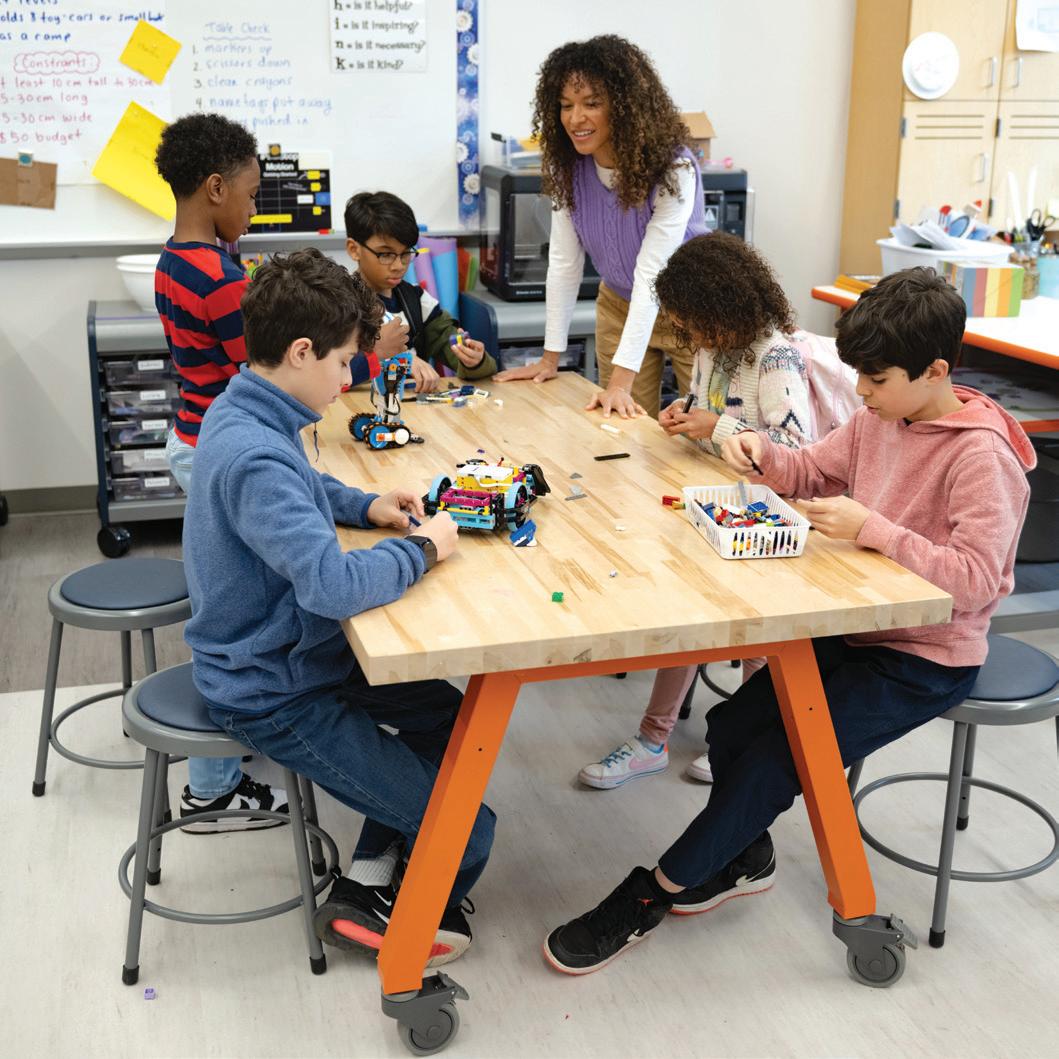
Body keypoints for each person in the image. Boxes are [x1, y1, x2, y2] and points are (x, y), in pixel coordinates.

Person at [544, 267, 1035, 975]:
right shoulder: (878, 419)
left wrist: (873, 529)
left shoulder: (981, 456)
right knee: (730, 727)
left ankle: (652, 894)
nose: (859, 392)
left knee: (776, 762)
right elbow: (809, 471)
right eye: (858, 376)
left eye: (876, 379)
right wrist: (762, 454)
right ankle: (743, 854)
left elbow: (976, 582)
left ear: (934, 371)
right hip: (856, 627)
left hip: (926, 657)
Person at [182, 247, 493, 965]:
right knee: (469, 830)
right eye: (344, 361)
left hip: (299, 655)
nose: (349, 377)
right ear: (301, 352)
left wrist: (365, 504)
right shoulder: (255, 454)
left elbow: (303, 487)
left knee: (457, 722)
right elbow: (330, 585)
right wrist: (424, 549)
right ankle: (406, 919)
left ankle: (367, 885)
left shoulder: (246, 408)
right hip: (272, 690)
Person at [578, 233, 813, 790]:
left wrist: (716, 426)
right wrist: (684, 413)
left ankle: (743, 741)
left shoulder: (775, 356)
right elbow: (709, 410)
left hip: (763, 520)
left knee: (758, 636)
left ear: (725, 308)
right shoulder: (713, 347)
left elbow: (797, 450)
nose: (694, 338)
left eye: (697, 325)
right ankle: (652, 740)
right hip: (713, 503)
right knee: (688, 621)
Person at [154, 111, 288, 831]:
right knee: (236, 613)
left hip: (192, 436)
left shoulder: (176, 260)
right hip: (220, 449)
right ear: (215, 188)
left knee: (230, 598)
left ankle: (239, 745)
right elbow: (267, 372)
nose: (254, 207)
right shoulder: (218, 278)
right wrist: (365, 357)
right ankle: (210, 787)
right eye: (251, 193)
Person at [494, 34, 707, 419]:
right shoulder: (567, 167)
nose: (575, 118)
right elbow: (563, 263)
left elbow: (651, 275)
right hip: (619, 305)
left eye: (592, 103)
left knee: (699, 432)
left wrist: (620, 383)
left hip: (692, 311)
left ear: (625, 107)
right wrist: (549, 359)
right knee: (622, 427)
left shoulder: (674, 168)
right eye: (566, 105)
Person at [344, 190, 496, 393]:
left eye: (406, 253)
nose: (398, 266)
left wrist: (475, 361)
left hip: (413, 407)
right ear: (354, 249)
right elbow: (320, 377)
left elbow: (457, 353)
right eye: (386, 254)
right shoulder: (337, 304)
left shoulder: (417, 301)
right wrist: (383, 355)